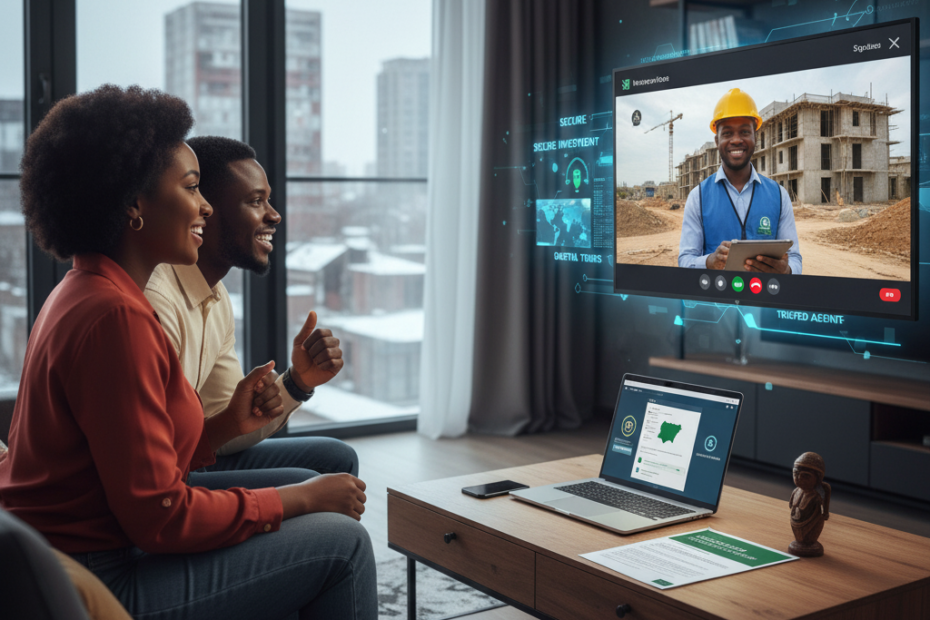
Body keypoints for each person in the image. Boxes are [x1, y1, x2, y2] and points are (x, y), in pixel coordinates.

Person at [0, 85, 376, 620]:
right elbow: (162, 516)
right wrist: (303, 500)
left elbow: (140, 463)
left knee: (314, 492)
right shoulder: (117, 318)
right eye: (193, 187)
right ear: (133, 203)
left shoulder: (88, 289)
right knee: (343, 543)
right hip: (104, 575)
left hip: (97, 546)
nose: (205, 207)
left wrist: (225, 427)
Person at [144, 135, 356, 492]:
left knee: (336, 458)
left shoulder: (216, 297)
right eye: (256, 201)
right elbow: (156, 461)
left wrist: (298, 383)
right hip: (159, 482)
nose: (274, 215)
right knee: (305, 483)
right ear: (203, 210)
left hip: (183, 459)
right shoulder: (157, 301)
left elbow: (225, 432)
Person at [678, 88, 802, 274]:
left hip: (764, 299)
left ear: (755, 137)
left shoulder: (778, 195)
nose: (736, 140)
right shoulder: (699, 197)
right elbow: (685, 260)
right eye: (727, 133)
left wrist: (787, 271)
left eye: (744, 131)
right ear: (717, 140)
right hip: (717, 301)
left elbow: (795, 259)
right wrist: (709, 262)